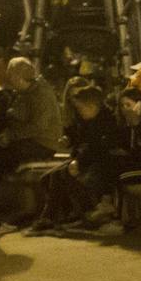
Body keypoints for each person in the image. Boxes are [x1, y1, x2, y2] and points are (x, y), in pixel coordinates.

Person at [29, 85, 118, 234]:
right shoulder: (88, 119)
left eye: (81, 108)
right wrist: (71, 143)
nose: (79, 111)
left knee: (64, 175)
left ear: (92, 106)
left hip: (99, 162)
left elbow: (97, 147)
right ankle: (58, 215)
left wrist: (79, 161)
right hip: (85, 158)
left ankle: (68, 215)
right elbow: (82, 141)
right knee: (49, 177)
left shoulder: (105, 121)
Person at [0, 58, 62, 201]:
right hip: (26, 139)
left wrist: (10, 136)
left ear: (17, 77)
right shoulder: (24, 92)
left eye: (11, 76)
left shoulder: (41, 94)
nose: (9, 80)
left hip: (42, 143)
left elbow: (39, 127)